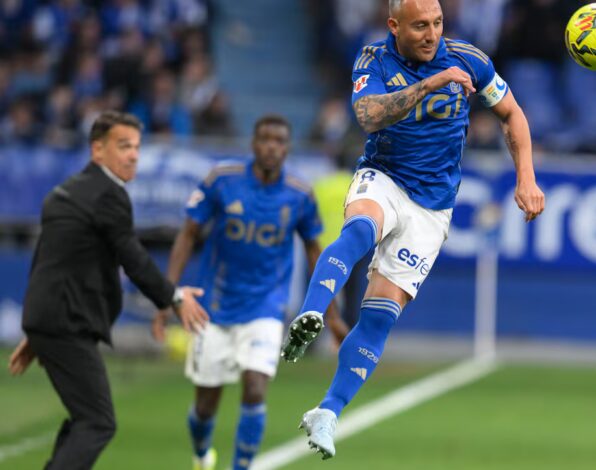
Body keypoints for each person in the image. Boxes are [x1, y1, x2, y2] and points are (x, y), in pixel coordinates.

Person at [280, 0, 545, 459]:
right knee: (360, 229)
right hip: (384, 176)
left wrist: (527, 177)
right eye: (420, 25)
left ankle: (327, 411)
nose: (431, 34)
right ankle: (311, 314)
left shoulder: (469, 59)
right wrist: (431, 84)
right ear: (394, 25)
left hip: (432, 207)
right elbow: (368, 116)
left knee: (380, 315)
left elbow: (512, 113)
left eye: (437, 23)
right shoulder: (374, 59)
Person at [7, 110, 209, 470]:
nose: (133, 155)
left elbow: (46, 262)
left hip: (52, 320)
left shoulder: (64, 192)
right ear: (97, 149)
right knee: (97, 422)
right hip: (68, 323)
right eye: (123, 146)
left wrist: (38, 329)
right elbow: (133, 257)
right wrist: (175, 298)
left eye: (136, 147)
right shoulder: (108, 195)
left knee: (85, 417)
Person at [150, 115, 349, 470]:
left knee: (255, 388)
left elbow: (314, 252)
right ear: (253, 144)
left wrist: (331, 316)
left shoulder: (299, 194)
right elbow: (188, 233)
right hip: (214, 305)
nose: (272, 147)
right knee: (205, 406)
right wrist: (168, 295)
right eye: (265, 139)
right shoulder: (222, 180)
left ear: (287, 148)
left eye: (279, 141)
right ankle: (201, 455)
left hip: (266, 305)